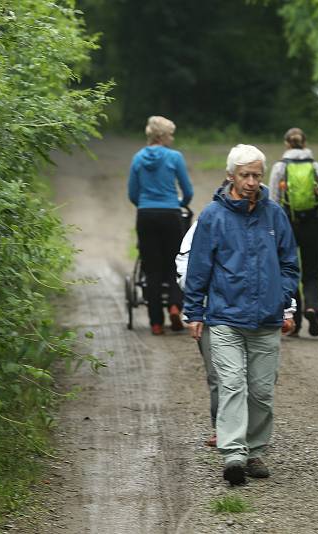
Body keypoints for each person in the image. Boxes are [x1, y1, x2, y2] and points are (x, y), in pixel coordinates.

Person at [184, 144, 299, 485]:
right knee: (232, 385)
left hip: (266, 319)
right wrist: (194, 311)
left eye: (256, 175)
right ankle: (234, 454)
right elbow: (199, 267)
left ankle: (255, 450)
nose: (251, 182)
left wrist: (282, 296)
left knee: (261, 390)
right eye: (245, 175)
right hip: (224, 318)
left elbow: (290, 263)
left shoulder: (274, 215)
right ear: (230, 176)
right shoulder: (213, 216)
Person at [176, 215, 296, 449]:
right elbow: (186, 262)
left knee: (258, 382)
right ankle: (224, 432)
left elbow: (282, 266)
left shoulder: (269, 219)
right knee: (221, 376)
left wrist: (287, 307)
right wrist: (197, 303)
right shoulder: (209, 220)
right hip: (215, 311)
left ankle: (250, 441)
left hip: (260, 314)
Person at [128, 116, 193, 335]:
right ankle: (175, 305)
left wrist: (146, 205)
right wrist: (178, 204)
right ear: (162, 136)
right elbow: (188, 191)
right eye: (170, 134)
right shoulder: (175, 157)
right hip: (171, 215)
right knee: (175, 263)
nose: (172, 138)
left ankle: (156, 323)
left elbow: (132, 193)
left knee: (152, 268)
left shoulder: (137, 158)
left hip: (146, 215)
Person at [269, 127, 318, 337]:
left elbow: (273, 200)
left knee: (290, 270)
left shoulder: (279, 168)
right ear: (305, 143)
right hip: (312, 224)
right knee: (312, 272)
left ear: (286, 144)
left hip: (287, 225)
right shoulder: (316, 167)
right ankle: (313, 309)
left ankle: (293, 321)